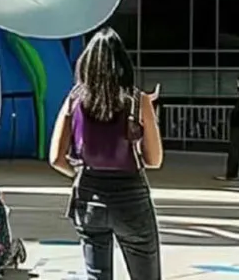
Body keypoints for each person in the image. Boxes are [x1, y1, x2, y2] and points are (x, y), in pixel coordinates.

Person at [50, 27, 163, 280]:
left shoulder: (74, 99)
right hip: (131, 197)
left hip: (89, 196)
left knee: (97, 274)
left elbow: (56, 158)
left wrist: (77, 173)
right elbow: (155, 160)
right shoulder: (137, 99)